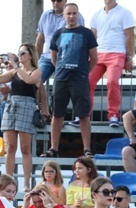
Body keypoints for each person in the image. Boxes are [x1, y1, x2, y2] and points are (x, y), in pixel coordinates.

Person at [42, 2, 98, 158]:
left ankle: (87, 149)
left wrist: (84, 71)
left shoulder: (86, 33)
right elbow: (53, 57)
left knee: (83, 115)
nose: (72, 16)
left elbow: (94, 58)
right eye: (69, 14)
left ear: (78, 15)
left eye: (74, 13)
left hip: (79, 79)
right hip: (61, 79)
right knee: (57, 114)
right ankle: (54, 148)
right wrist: (61, 69)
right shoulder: (58, 33)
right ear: (64, 15)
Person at [0, 43, 43, 190]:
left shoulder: (37, 71)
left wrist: (15, 64)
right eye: (19, 53)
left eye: (22, 53)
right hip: (12, 105)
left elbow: (28, 80)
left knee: (26, 148)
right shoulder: (15, 72)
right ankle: (8, 180)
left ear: (30, 55)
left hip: (27, 105)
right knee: (10, 147)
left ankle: (26, 183)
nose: (20, 56)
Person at [86, 0, 135, 128]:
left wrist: (129, 57)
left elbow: (130, 36)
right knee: (87, 81)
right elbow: (92, 37)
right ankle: (85, 113)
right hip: (98, 54)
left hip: (117, 53)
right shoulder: (96, 14)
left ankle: (113, 114)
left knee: (112, 81)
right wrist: (88, 55)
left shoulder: (125, 13)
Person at [35, 0, 84, 83]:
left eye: (59, 0)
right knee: (36, 80)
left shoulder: (75, 16)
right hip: (47, 57)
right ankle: (42, 96)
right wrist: (35, 60)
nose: (55, 3)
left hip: (66, 59)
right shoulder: (45, 15)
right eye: (53, 0)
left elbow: (79, 40)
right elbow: (40, 39)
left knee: (62, 86)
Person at [0, 55, 17, 138]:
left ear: (17, 62)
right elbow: (1, 100)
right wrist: (5, 95)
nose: (8, 65)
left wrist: (10, 91)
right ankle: (0, 141)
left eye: (10, 62)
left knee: (2, 106)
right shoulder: (3, 77)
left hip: (17, 104)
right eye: (6, 63)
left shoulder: (19, 74)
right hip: (6, 105)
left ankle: (5, 137)